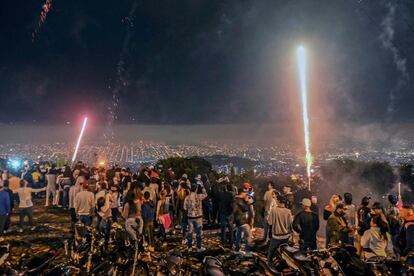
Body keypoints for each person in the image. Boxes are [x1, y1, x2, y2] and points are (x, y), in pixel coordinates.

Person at [267, 195, 293, 265]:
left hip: (276, 236)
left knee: (271, 251)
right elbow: (290, 224)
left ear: (278, 201)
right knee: (284, 253)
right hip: (286, 236)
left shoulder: (274, 210)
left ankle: (269, 265)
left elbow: (270, 222)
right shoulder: (288, 211)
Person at [183, 183, 207, 252]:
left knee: (190, 232)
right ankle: (198, 247)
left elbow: (185, 208)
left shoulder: (187, 197)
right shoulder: (199, 196)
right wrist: (202, 186)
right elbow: (206, 194)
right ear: (196, 189)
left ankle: (189, 247)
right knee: (199, 232)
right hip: (198, 217)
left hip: (190, 217)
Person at [234, 189, 252, 254]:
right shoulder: (240, 200)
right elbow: (245, 209)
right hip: (242, 220)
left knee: (238, 235)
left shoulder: (235, 199)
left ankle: (237, 250)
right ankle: (247, 251)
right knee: (248, 235)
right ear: (241, 193)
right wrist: (247, 201)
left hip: (237, 220)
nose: (246, 194)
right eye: (245, 193)